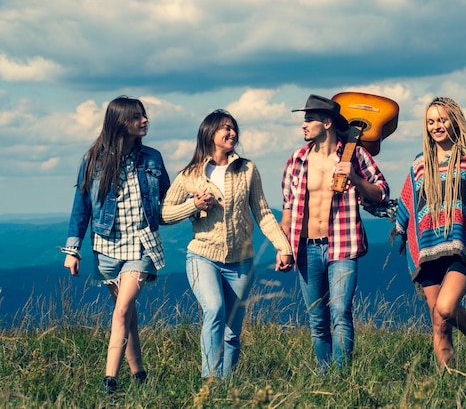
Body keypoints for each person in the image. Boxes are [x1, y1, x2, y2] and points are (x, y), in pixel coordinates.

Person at [161, 109, 293, 379]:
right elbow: (164, 213)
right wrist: (193, 205)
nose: (232, 132)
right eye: (225, 128)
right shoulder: (190, 174)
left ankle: (226, 385)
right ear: (210, 134)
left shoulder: (247, 169)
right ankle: (209, 382)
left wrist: (284, 247)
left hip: (241, 260)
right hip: (202, 256)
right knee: (215, 309)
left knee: (233, 330)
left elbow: (263, 212)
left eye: (233, 128)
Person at [61, 96, 171, 393]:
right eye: (137, 117)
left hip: (142, 246)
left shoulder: (152, 158)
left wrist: (193, 205)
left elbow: (167, 202)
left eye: (144, 115)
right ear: (120, 122)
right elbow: (81, 207)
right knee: (129, 316)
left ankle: (109, 381)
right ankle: (140, 377)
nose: (145, 120)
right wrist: (73, 251)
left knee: (121, 311)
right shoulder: (93, 160)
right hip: (106, 249)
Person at [395, 96, 466, 368]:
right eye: (431, 121)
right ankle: (451, 386)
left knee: (445, 308)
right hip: (428, 247)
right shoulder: (420, 164)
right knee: (438, 322)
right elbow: (407, 203)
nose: (436, 126)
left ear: (455, 121)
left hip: (463, 246)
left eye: (442, 119)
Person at [281, 94, 390, 372]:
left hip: (342, 245)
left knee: (341, 313)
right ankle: (325, 376)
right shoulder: (297, 160)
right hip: (306, 247)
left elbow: (381, 193)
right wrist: (283, 248)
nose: (304, 125)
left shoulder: (355, 155)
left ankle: (342, 378)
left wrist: (354, 177)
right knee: (317, 320)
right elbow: (288, 209)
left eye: (309, 119)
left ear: (327, 123)